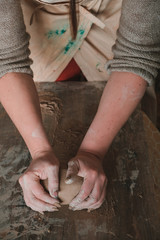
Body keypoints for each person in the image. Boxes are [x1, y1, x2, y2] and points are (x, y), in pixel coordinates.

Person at [0, 0, 159, 213]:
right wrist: (39, 151)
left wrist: (93, 152)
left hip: (113, 21)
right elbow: (7, 58)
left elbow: (135, 56)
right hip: (38, 30)